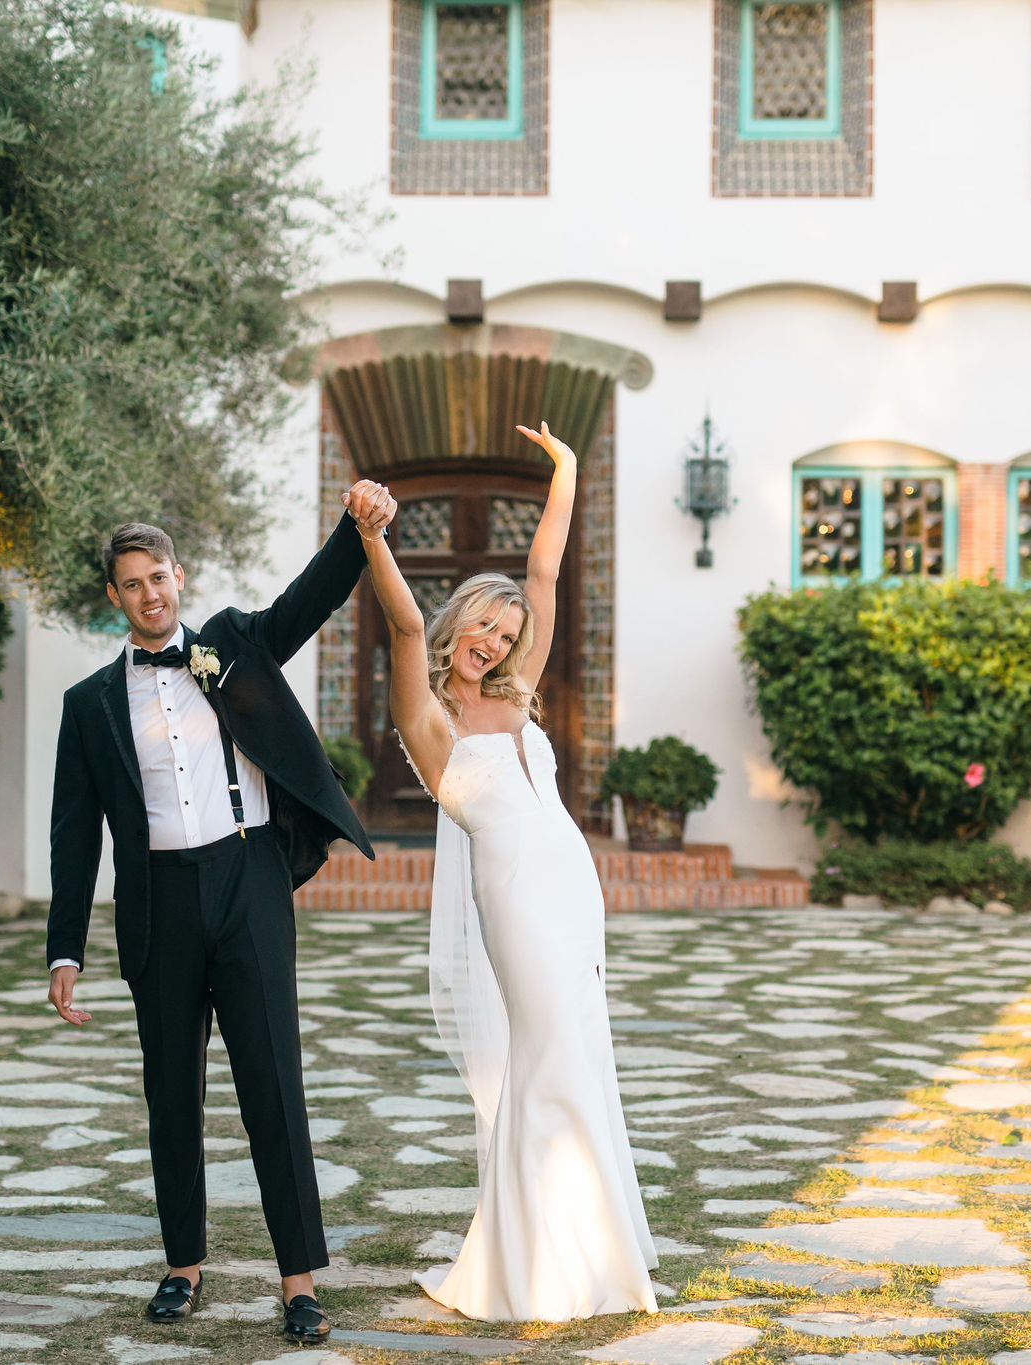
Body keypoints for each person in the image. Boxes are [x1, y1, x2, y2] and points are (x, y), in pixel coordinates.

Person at [44, 482, 397, 1345]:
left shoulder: (233, 645)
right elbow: (73, 834)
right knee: (172, 1092)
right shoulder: (89, 704)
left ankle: (299, 1281)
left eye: (158, 577)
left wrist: (357, 528)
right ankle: (183, 1265)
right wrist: (65, 950)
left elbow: (309, 600)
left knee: (273, 1083)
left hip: (248, 882)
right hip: (158, 901)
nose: (149, 594)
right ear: (115, 596)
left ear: (180, 576)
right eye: (132, 584)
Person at [358, 423, 658, 1322]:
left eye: (507, 634)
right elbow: (404, 621)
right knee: (547, 1051)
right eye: (485, 626)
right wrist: (373, 536)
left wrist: (565, 472)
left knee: (582, 1049)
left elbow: (545, 573)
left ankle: (590, 1246)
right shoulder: (427, 714)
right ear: (460, 622)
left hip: (571, 887)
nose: (494, 642)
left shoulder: (516, 694)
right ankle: (535, 1261)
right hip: (515, 900)